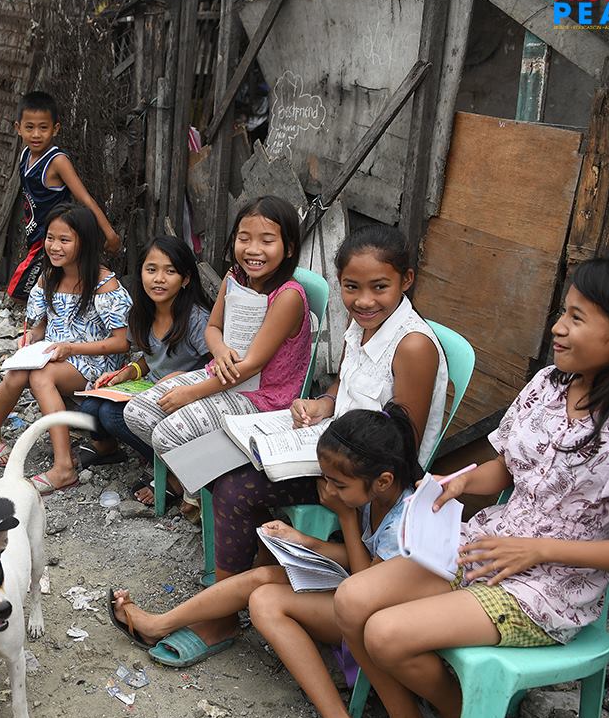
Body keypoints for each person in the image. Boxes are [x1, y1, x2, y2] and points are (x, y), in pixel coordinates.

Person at [332, 251, 609, 718]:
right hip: (486, 547)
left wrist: (538, 550)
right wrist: (458, 482)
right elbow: (506, 467)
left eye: (578, 318)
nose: (558, 327)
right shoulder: (549, 385)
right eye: (564, 312)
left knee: (386, 633)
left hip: (549, 588)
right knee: (353, 599)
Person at [139, 225, 448, 666]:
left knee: (236, 489)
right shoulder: (362, 327)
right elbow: (345, 384)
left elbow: (402, 444)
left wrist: (331, 461)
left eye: (379, 287)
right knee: (217, 460)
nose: (364, 300)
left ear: (407, 280)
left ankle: (223, 617)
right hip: (331, 446)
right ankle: (250, 572)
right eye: (351, 287)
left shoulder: (412, 345)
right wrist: (322, 404)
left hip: (364, 478)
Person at [113, 404, 421, 718]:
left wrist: (345, 517)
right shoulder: (378, 498)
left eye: (339, 486)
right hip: (356, 594)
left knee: (264, 602)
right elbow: (362, 558)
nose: (329, 491)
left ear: (383, 480)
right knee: (261, 579)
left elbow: (364, 585)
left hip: (368, 622)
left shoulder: (404, 521)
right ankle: (159, 624)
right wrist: (304, 541)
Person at [123, 195, 312, 506]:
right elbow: (212, 328)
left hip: (262, 396)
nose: (253, 249)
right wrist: (221, 350)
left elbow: (251, 366)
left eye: (266, 241)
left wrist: (192, 393)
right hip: (222, 375)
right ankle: (191, 478)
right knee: (137, 413)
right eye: (244, 238)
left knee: (167, 434)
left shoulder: (288, 297)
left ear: (289, 248)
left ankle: (201, 493)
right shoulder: (235, 277)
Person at [0, 204, 132, 492]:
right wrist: (30, 338)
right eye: (50, 238)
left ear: (84, 242)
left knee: (41, 376)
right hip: (55, 354)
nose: (54, 246)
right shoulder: (49, 278)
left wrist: (73, 348)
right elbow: (40, 326)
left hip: (95, 362)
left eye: (65, 240)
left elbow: (121, 342)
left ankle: (63, 467)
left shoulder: (104, 284)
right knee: (18, 373)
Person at [76, 235, 211, 470]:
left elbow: (215, 367)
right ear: (141, 273)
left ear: (186, 278)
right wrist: (127, 373)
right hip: (149, 387)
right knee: (90, 406)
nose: (159, 279)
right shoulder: (141, 313)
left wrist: (183, 379)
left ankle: (173, 470)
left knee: (111, 414)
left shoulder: (197, 320)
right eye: (151, 270)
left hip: (184, 396)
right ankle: (110, 450)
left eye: (170, 271)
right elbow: (150, 358)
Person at [5, 91, 120, 301]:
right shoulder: (25, 156)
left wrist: (110, 234)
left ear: (55, 129)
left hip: (54, 235)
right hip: (38, 235)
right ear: (18, 128)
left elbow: (84, 198)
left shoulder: (57, 161)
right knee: (49, 283)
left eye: (43, 128)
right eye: (29, 127)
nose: (36, 134)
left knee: (18, 290)